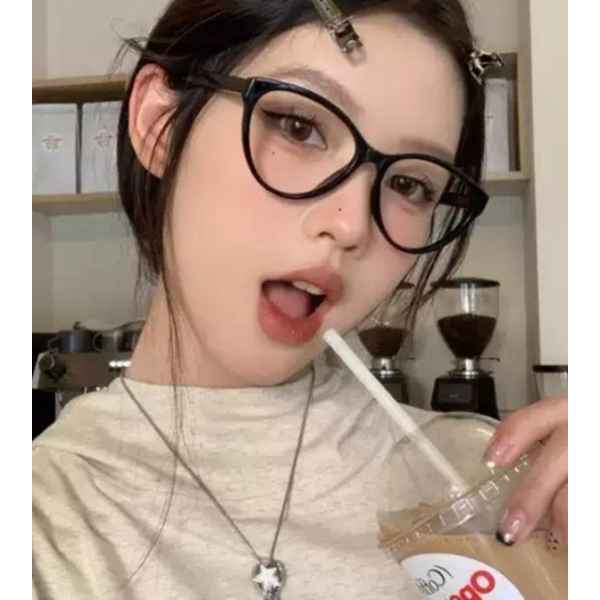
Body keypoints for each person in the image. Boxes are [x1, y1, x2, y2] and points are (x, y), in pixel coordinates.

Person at [32, 1, 568, 598]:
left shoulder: (495, 485)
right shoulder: (42, 523)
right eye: (298, 126)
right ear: (160, 123)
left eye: (410, 184)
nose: (351, 224)